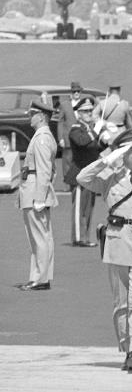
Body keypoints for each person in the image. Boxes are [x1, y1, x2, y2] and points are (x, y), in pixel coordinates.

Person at [76, 128, 132, 372]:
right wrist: (108, 159)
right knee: (121, 303)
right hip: (117, 243)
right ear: (123, 152)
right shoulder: (110, 176)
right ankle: (127, 347)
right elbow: (82, 178)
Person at [16, 98, 59, 291]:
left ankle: (40, 279)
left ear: (41, 117)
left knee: (39, 237)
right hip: (35, 188)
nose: (30, 117)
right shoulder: (44, 136)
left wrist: (40, 198)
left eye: (32, 114)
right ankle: (40, 277)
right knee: (41, 236)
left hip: (35, 191)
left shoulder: (42, 138)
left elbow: (44, 170)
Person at [66, 94, 101, 246]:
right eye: (85, 111)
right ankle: (78, 238)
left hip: (90, 175)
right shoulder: (76, 129)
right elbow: (81, 142)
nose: (89, 114)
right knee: (79, 208)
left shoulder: (90, 129)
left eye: (90, 111)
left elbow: (95, 148)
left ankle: (85, 237)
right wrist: (95, 132)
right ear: (79, 113)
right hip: (79, 173)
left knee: (89, 207)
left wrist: (105, 140)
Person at [56, 81, 84, 186]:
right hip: (68, 139)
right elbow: (60, 122)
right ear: (71, 93)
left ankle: (79, 182)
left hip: (81, 138)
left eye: (78, 91)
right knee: (67, 161)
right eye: (74, 91)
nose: (76, 93)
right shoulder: (64, 105)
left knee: (80, 161)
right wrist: (61, 139)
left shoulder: (84, 104)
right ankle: (68, 183)